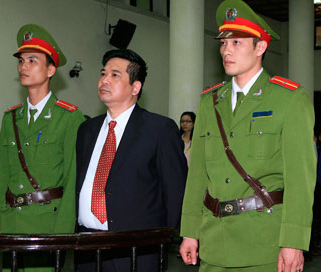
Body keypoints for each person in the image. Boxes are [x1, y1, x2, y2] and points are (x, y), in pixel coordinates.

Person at [179, 1, 316, 271]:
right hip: (214, 241)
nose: (226, 51)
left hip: (264, 242)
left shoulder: (289, 99)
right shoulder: (210, 101)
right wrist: (190, 230)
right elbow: (197, 174)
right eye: (223, 43)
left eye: (237, 43)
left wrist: (293, 241)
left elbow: (300, 179)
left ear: (260, 47)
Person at [75, 49, 188, 271]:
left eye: (115, 75)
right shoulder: (87, 130)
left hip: (137, 250)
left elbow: (175, 191)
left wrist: (165, 239)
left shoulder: (159, 129)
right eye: (103, 73)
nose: (105, 80)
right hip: (87, 247)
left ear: (135, 87)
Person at [0, 24, 84, 271]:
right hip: (11, 223)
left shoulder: (69, 117)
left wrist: (61, 233)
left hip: (47, 224)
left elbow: (72, 178)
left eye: (32, 60)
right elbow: (2, 174)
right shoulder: (11, 118)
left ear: (51, 69)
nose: (23, 67)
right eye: (21, 61)